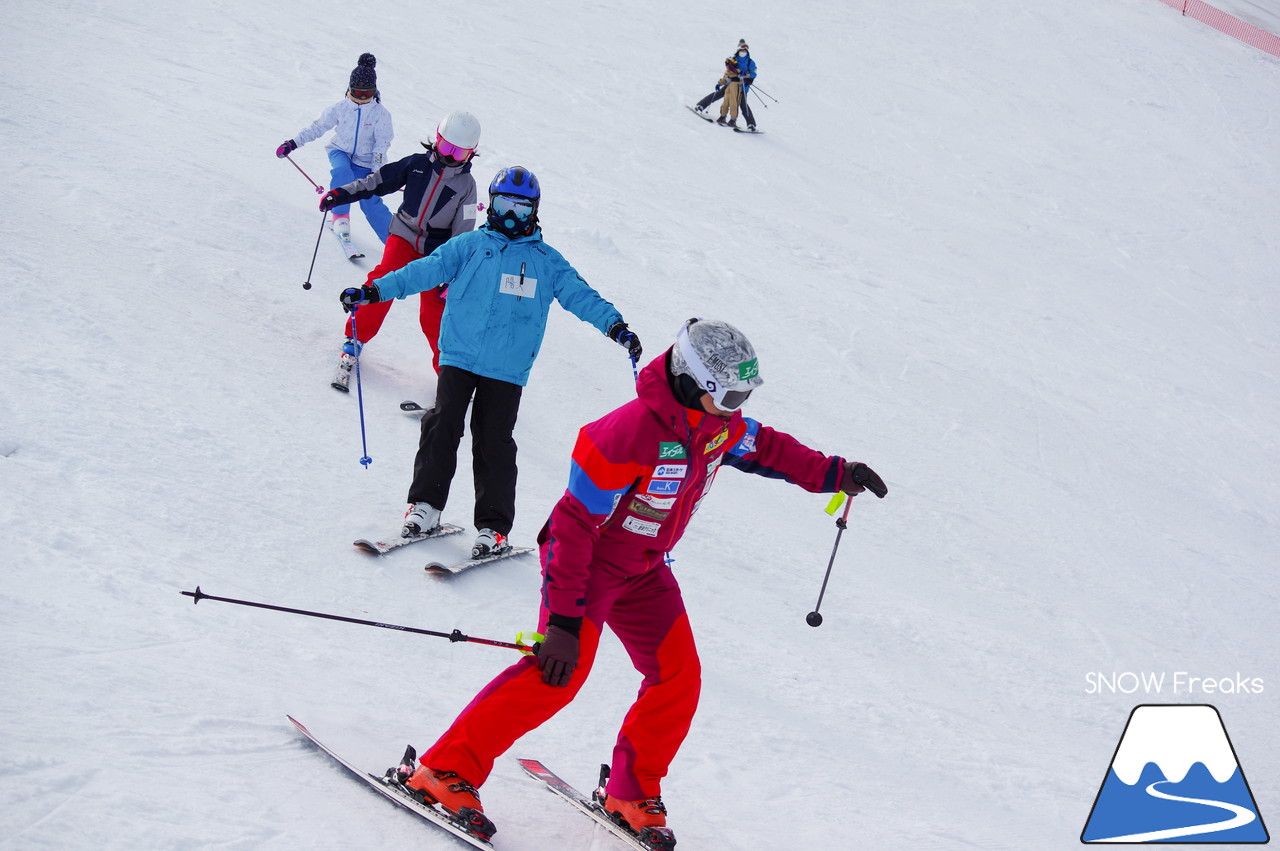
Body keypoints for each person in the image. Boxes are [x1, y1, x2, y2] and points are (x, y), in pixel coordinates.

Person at [379, 318, 888, 845]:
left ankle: (630, 790)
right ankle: (443, 771)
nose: (739, 406)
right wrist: (564, 622)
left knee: (678, 677)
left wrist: (835, 474)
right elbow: (573, 527)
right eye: (731, 394)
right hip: (590, 562)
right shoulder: (624, 434)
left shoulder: (719, 426)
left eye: (744, 396)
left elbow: (769, 449)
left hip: (645, 568)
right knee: (558, 674)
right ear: (695, 383)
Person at [338, 166, 643, 559]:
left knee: (494, 443)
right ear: (490, 205)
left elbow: (581, 296)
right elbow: (420, 271)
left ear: (534, 210)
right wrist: (373, 290)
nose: (512, 215)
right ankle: (425, 507)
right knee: (442, 423)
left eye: (521, 207)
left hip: (506, 367)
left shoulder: (545, 261)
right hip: (459, 354)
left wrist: (616, 326)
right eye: (504, 205)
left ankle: (493, 529)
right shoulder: (469, 246)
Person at [321, 110, 482, 391]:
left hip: (438, 253)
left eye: (457, 153)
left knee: (435, 311)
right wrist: (342, 194)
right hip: (404, 237)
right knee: (382, 282)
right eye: (446, 147)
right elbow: (376, 182)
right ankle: (354, 341)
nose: (448, 156)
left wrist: (453, 274)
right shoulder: (417, 165)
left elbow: (464, 233)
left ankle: (449, 374)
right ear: (437, 139)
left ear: (471, 154)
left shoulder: (466, 186)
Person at [276, 53, 393, 245]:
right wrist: (293, 143)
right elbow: (317, 127)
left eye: (367, 94)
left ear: (375, 91)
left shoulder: (381, 115)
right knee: (342, 173)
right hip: (341, 152)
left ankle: (393, 242)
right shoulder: (340, 108)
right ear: (349, 89)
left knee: (371, 202)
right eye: (357, 93)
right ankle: (339, 217)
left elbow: (382, 146)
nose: (362, 98)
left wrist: (376, 172)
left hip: (365, 162)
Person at [693, 39, 758, 131]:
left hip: (743, 87)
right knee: (717, 94)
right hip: (730, 84)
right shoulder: (733, 60)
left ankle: (751, 124)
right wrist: (721, 81)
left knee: (743, 104)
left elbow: (754, 73)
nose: (743, 52)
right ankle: (700, 106)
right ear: (738, 50)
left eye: (745, 51)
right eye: (742, 50)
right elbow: (728, 71)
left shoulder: (750, 62)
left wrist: (746, 75)